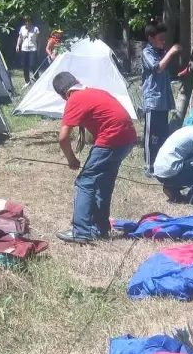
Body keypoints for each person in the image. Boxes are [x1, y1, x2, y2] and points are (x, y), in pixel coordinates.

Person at [52, 70, 137, 243]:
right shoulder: (95, 92)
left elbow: (63, 138)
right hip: (128, 139)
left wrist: (71, 160)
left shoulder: (74, 99)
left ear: (63, 95)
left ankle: (81, 231)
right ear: (77, 81)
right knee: (104, 182)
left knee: (85, 182)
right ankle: (101, 228)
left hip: (111, 139)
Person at [140, 23, 182, 177]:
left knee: (163, 135)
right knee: (150, 136)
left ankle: (160, 165)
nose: (164, 41)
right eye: (160, 38)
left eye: (165, 38)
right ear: (151, 38)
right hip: (152, 101)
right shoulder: (147, 52)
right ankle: (148, 167)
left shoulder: (162, 52)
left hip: (164, 101)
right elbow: (157, 68)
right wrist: (171, 52)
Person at [16, 16, 41, 82]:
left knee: (33, 65)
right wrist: (17, 45)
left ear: (31, 21)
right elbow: (20, 37)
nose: (27, 22)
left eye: (28, 21)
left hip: (33, 49)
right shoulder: (22, 28)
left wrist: (38, 48)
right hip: (24, 49)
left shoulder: (35, 29)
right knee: (25, 66)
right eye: (25, 21)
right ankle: (27, 81)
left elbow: (38, 40)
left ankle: (37, 79)